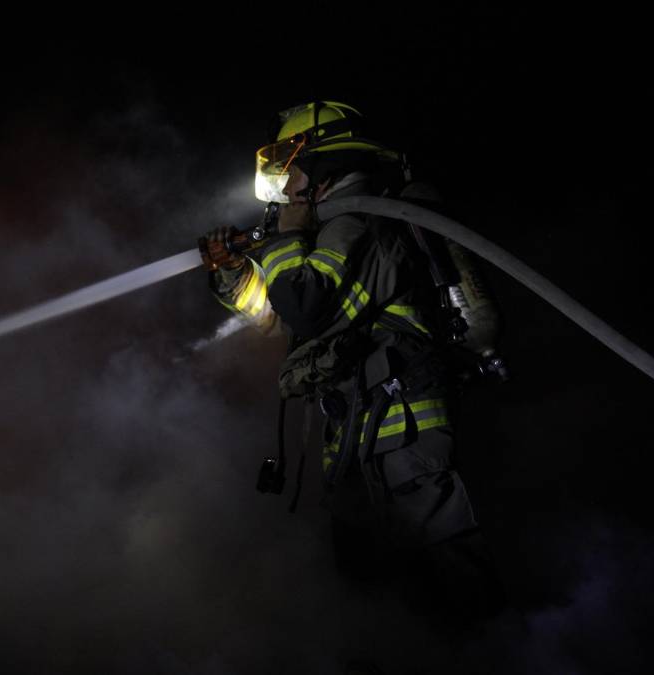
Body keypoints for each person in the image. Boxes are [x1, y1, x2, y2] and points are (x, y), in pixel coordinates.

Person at [201, 101, 503, 629]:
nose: (287, 190)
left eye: (290, 173)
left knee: (440, 564)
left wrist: (285, 238)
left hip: (402, 420)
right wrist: (231, 273)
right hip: (356, 423)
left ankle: (491, 648)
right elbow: (271, 313)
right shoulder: (326, 232)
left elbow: (306, 303)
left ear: (319, 164)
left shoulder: (359, 224)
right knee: (368, 577)